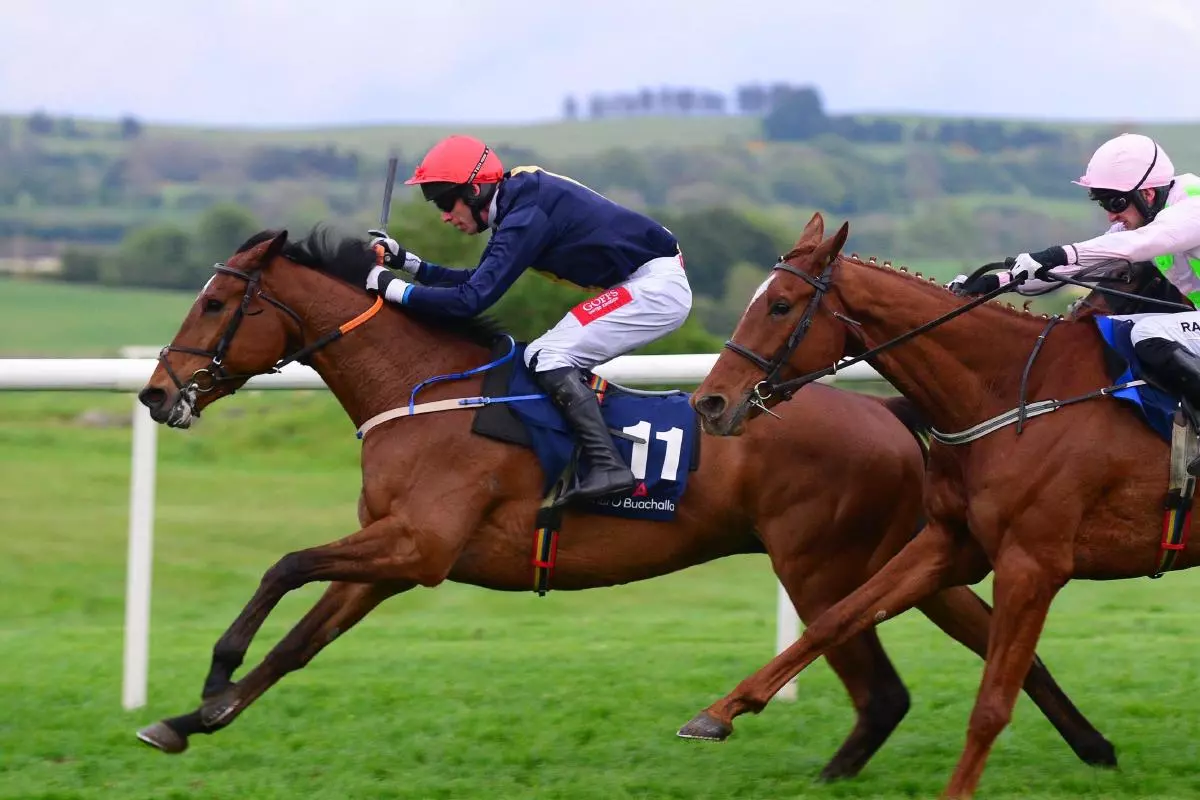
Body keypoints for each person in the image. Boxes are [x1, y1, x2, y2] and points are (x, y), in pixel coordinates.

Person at [342, 134, 692, 503]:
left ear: (475, 189)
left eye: (446, 201)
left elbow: (469, 302)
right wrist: (408, 264)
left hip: (655, 289)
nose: (445, 216)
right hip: (643, 282)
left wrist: (387, 287)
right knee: (542, 354)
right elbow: (477, 281)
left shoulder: (526, 215)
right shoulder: (517, 202)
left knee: (547, 356)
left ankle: (607, 466)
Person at [948, 133, 1200, 463]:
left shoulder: (1190, 209)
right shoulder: (1145, 218)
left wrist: (1055, 253)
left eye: (1116, 203)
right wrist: (997, 282)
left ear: (1148, 193)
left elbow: (1141, 244)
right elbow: (1079, 264)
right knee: (1115, 328)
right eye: (1105, 203)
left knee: (1146, 332)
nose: (1111, 215)